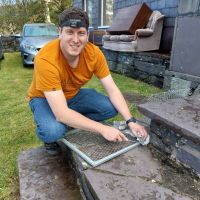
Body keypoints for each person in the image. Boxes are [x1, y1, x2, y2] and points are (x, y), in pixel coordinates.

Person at [28, 7, 148, 155]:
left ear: (87, 34)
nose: (76, 40)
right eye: (70, 32)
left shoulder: (94, 54)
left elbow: (113, 89)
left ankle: (74, 120)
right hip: (43, 98)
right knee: (53, 131)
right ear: (60, 32)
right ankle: (54, 133)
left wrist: (131, 121)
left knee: (109, 108)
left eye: (81, 33)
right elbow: (61, 113)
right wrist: (102, 128)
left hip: (73, 95)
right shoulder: (46, 58)